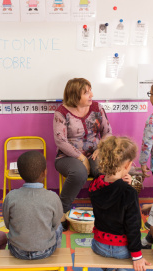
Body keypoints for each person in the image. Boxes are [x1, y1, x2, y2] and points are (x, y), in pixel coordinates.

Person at [53, 78, 112, 230]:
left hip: (95, 152)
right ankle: (61, 211)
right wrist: (80, 157)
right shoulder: (61, 112)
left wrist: (102, 148)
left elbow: (108, 132)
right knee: (79, 173)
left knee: (102, 170)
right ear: (74, 95)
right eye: (86, 92)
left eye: (90, 90)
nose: (91, 95)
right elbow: (61, 141)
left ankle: (103, 210)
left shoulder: (97, 108)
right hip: (67, 156)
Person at [89, 136, 150, 271]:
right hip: (122, 250)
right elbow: (133, 227)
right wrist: (137, 256)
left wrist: (120, 183)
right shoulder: (129, 192)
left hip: (99, 245)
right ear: (127, 165)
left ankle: (111, 268)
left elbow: (109, 189)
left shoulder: (94, 185)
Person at [3, 151, 63, 260]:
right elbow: (55, 224)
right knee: (60, 227)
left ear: (20, 174)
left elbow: (7, 224)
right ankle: (55, 259)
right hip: (45, 251)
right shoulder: (53, 197)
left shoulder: (10, 196)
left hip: (17, 251)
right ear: (45, 172)